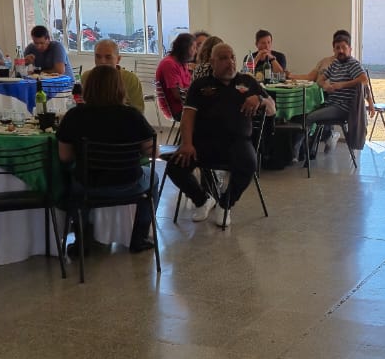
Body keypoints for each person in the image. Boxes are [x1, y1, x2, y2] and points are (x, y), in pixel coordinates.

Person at [166, 43, 275, 227]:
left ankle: (225, 204)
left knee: (249, 164)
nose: (230, 62)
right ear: (212, 62)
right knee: (174, 166)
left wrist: (261, 99)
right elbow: (188, 116)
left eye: (232, 57)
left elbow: (272, 109)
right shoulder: (200, 85)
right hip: (204, 142)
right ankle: (202, 200)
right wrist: (186, 143)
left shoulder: (248, 82)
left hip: (238, 142)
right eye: (223, 58)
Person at [56, 65, 158, 253]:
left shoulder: (74, 116)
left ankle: (82, 241)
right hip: (128, 183)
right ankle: (139, 237)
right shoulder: (132, 115)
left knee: (74, 182)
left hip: (90, 184)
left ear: (88, 87)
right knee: (153, 180)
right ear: (120, 88)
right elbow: (153, 152)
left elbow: (64, 156)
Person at [296, 31, 370, 157]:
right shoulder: (335, 64)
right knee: (305, 111)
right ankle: (307, 148)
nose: (340, 51)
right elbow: (320, 79)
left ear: (350, 49)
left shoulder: (352, 64)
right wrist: (325, 85)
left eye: (343, 48)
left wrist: (342, 85)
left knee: (309, 118)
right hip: (331, 104)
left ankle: (300, 148)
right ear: (334, 50)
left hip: (343, 107)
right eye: (337, 48)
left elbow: (364, 80)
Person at [93, 39, 146, 113]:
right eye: (98, 57)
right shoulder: (87, 77)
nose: (102, 61)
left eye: (108, 57)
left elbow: (138, 111)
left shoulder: (130, 79)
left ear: (118, 59)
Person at [156, 32, 194, 122]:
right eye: (194, 48)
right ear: (185, 48)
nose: (195, 51)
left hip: (184, 105)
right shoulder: (169, 64)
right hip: (176, 109)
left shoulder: (182, 62)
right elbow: (178, 95)